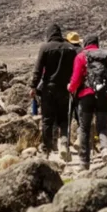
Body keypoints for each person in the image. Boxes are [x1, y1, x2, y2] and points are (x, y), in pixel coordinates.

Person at [68, 34, 107, 170]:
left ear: (86, 44)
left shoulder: (81, 56)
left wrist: (70, 88)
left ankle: (84, 163)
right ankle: (105, 149)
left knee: (84, 128)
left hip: (86, 96)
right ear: (97, 43)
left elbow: (77, 77)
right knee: (102, 127)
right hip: (103, 96)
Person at [30, 23, 77, 161]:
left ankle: (47, 150)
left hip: (48, 88)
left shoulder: (45, 48)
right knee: (64, 119)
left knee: (47, 120)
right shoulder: (70, 48)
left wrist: (33, 86)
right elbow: (75, 70)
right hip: (65, 88)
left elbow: (38, 69)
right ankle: (63, 143)